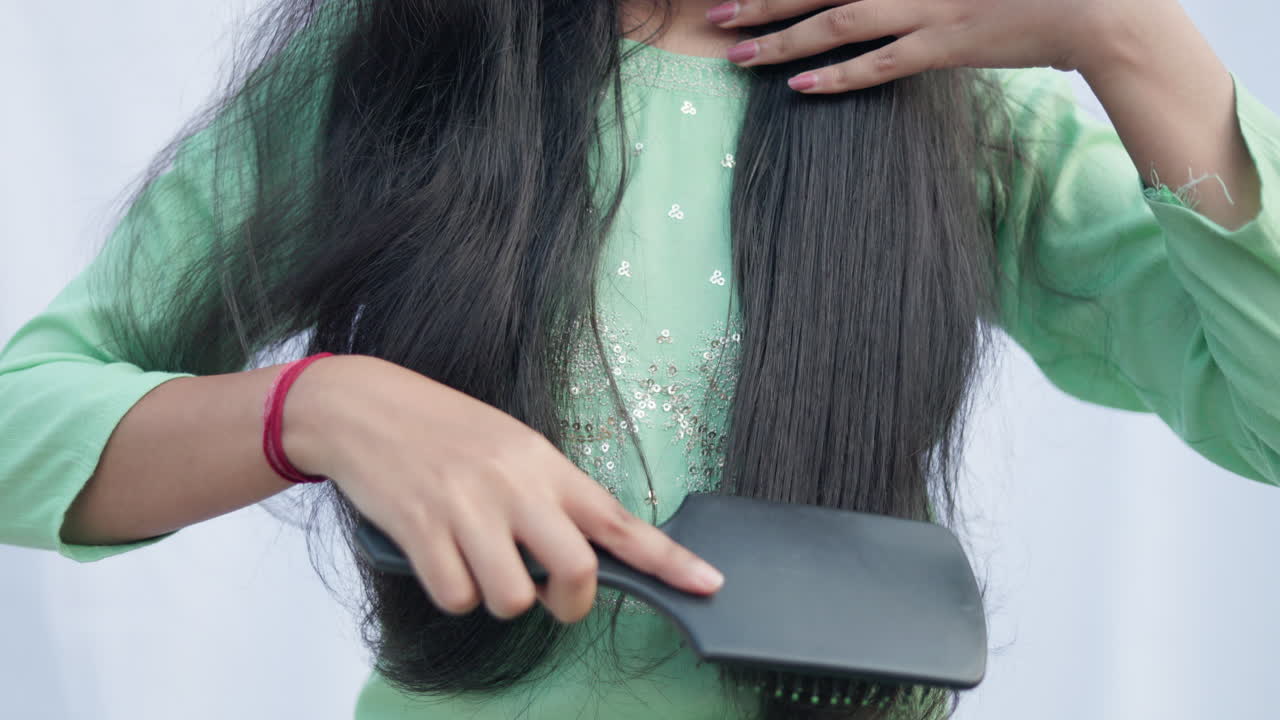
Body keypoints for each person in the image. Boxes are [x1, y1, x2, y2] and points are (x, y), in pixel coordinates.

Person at [2, 0, 1278, 718]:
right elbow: (26, 421)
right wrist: (320, 407)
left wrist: (1123, 35)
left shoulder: (955, 98)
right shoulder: (397, 56)